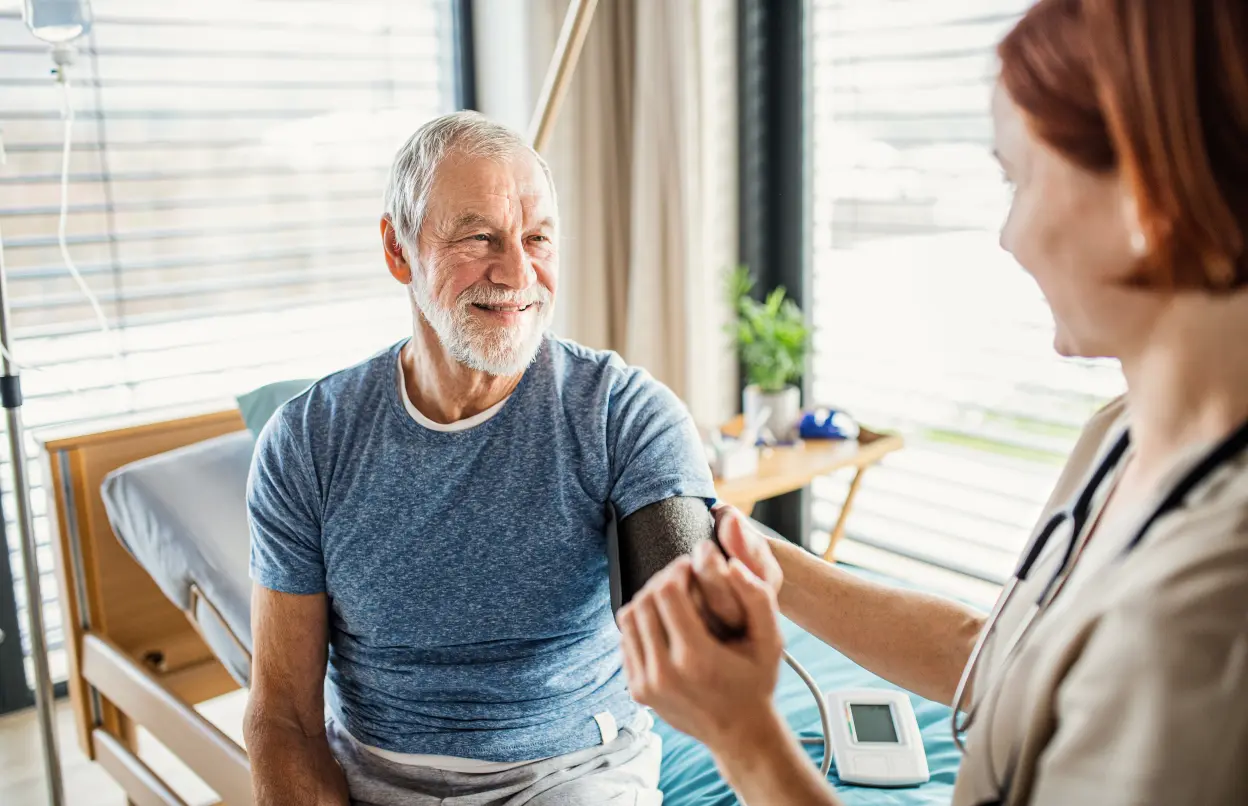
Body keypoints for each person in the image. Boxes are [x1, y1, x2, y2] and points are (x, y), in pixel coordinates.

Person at [619, 1, 1248, 804]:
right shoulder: (1121, 434)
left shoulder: (1204, 623)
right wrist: (767, 563)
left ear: (1148, 198)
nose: (1007, 237)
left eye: (1019, 179)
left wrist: (743, 735)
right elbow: (993, 657)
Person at [243, 112, 733, 806]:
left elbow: (694, 617)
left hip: (573, 775)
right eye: (480, 237)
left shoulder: (624, 414)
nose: (517, 272)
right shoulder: (307, 443)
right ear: (397, 249)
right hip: (376, 779)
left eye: (538, 238)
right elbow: (285, 716)